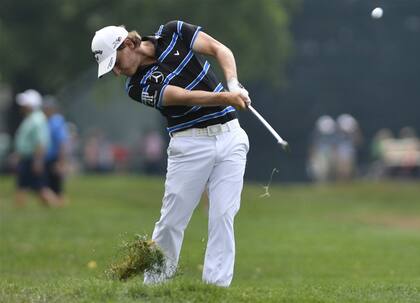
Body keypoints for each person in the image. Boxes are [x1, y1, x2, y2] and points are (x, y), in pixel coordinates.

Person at [91, 20, 250, 287]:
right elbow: (182, 96)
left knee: (223, 215)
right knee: (171, 222)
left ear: (128, 43)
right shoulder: (135, 87)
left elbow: (219, 49)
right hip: (189, 147)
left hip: (230, 137)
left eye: (116, 62)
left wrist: (232, 84)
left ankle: (216, 289)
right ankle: (155, 287)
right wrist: (225, 98)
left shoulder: (174, 31)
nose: (117, 72)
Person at [12, 89, 59, 207]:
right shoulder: (31, 118)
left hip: (32, 158)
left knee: (39, 187)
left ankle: (56, 204)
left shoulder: (36, 120)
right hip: (28, 158)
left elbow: (41, 142)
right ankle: (19, 207)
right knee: (25, 186)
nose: (22, 106)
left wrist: (38, 161)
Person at [42, 95, 69, 204]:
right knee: (48, 185)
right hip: (46, 159)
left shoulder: (57, 121)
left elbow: (62, 143)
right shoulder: (46, 121)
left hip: (54, 159)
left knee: (56, 187)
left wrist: (61, 162)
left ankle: (61, 205)